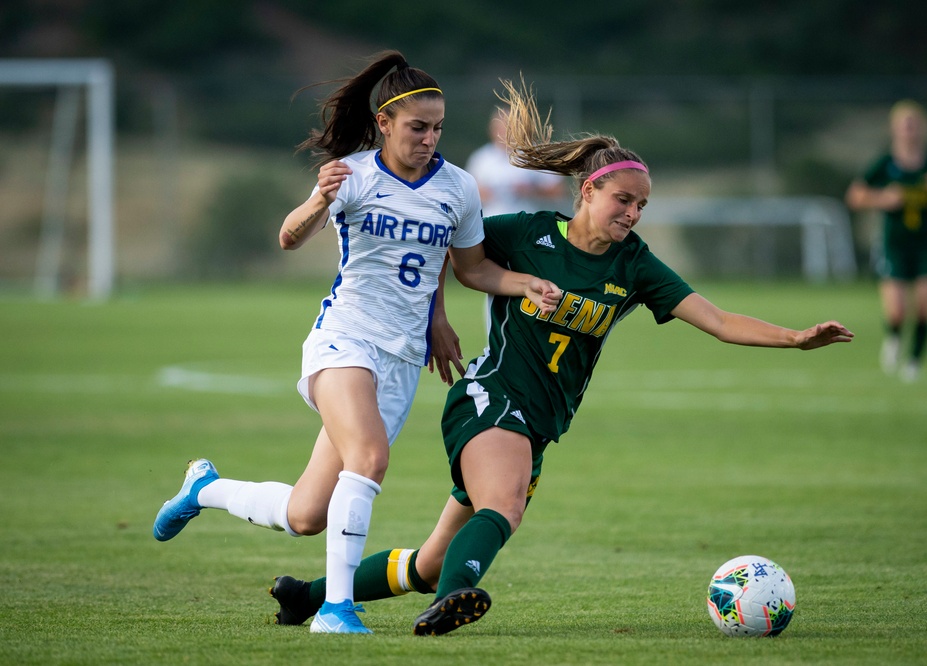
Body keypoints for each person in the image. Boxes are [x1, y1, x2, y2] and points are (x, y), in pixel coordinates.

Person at [265, 78, 855, 636]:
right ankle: (452, 602)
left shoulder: (635, 266)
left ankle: (307, 597)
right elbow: (440, 244)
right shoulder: (525, 233)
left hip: (543, 420)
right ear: (588, 190)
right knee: (504, 507)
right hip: (491, 396)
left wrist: (795, 338)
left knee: (430, 562)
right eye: (623, 199)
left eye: (642, 206)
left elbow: (720, 321)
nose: (632, 213)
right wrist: (435, 318)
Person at [151, 51, 561, 636]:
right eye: (418, 127)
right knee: (369, 459)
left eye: (438, 127)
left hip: (400, 361)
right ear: (384, 124)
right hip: (344, 340)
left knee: (305, 514)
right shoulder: (354, 174)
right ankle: (336, 611)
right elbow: (289, 237)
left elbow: (471, 268)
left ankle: (205, 488)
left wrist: (523, 285)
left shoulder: (459, 188)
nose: (429, 138)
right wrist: (319, 198)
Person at [845, 100, 927, 382]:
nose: (909, 131)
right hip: (893, 244)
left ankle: (914, 364)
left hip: (926, 244)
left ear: (922, 128)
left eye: (914, 124)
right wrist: (882, 199)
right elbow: (855, 196)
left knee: (923, 307)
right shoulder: (885, 163)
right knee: (896, 311)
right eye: (904, 125)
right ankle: (894, 338)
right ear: (894, 129)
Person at [465, 105, 567, 217]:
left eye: (509, 127)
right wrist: (484, 194)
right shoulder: (481, 159)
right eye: (500, 127)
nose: (504, 133)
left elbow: (558, 191)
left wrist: (532, 190)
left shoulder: (536, 155)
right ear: (491, 130)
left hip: (530, 225)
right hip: (491, 226)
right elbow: (467, 196)